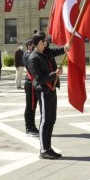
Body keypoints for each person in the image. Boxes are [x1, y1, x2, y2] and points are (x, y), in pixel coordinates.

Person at [27, 31, 63, 159]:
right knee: (45, 119)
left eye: (46, 41)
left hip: (52, 89)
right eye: (43, 41)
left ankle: (48, 147)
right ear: (37, 43)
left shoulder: (45, 52)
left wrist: (66, 48)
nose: (46, 43)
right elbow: (39, 79)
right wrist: (55, 74)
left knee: (52, 119)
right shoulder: (33, 58)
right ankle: (43, 150)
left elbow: (56, 51)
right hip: (43, 90)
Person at [22, 39, 39, 135]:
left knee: (33, 106)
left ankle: (32, 125)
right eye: (33, 44)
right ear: (29, 46)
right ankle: (29, 127)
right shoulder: (28, 55)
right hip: (30, 82)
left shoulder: (29, 54)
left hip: (31, 82)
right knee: (30, 106)